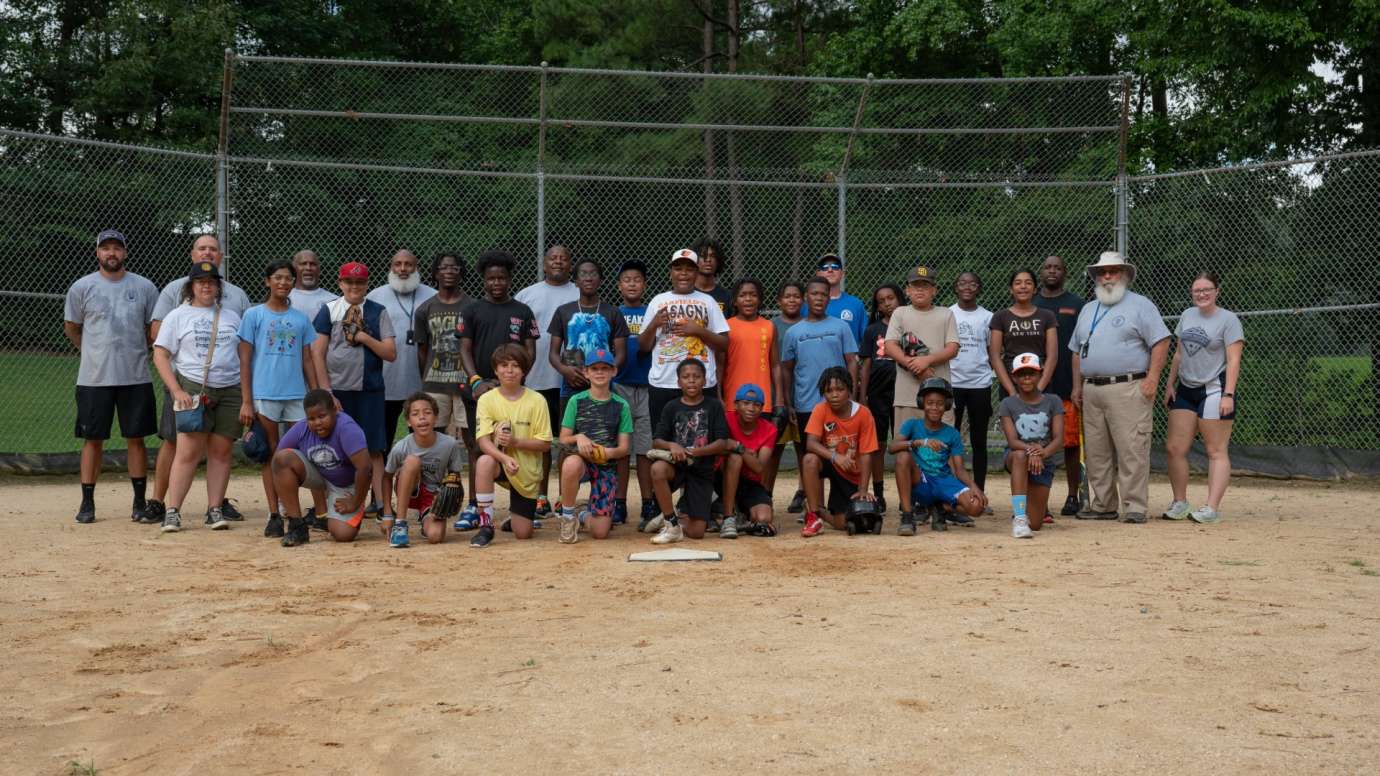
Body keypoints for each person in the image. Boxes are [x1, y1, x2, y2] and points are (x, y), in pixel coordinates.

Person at [145, 234, 251, 526]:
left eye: (212, 282)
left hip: (229, 388)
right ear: (191, 286)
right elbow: (160, 355)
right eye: (201, 282)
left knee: (221, 451)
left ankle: (214, 508)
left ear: (218, 287)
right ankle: (173, 510)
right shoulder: (178, 316)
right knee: (188, 451)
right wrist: (176, 389)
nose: (206, 286)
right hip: (193, 386)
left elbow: (244, 358)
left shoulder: (232, 316)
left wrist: (245, 396)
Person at [63, 229, 159, 524]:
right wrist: (92, 352)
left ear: (125, 253)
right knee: (93, 440)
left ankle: (139, 503)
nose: (112, 253)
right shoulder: (82, 287)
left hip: (135, 376)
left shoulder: (144, 287)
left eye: (117, 248)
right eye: (106, 248)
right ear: (97, 254)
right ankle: (87, 503)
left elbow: (152, 329)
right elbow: (72, 327)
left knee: (136, 439)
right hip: (94, 379)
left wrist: (137, 350)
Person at [1069, 251, 1170, 524]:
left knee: (1131, 448)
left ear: (1125, 274)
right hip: (1091, 390)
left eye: (1113, 271)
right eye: (1102, 272)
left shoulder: (1141, 305)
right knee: (1097, 451)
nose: (1107, 276)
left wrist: (1152, 378)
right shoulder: (1089, 309)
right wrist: (1077, 386)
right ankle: (1103, 505)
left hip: (1128, 386)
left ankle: (1135, 506)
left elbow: (1161, 341)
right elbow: (1076, 351)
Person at [237, 260, 317, 534]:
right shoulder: (254, 315)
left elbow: (307, 358)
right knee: (271, 453)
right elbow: (245, 360)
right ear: (267, 281)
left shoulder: (300, 318)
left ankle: (294, 508)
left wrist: (315, 394)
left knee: (296, 452)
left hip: (295, 393)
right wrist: (247, 400)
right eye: (278, 278)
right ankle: (274, 514)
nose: (283, 283)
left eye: (288, 279)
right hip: (265, 393)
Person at [311, 261, 397, 515]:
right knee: (333, 447)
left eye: (359, 283)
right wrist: (326, 392)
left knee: (373, 448)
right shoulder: (329, 310)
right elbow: (318, 353)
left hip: (369, 389)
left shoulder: (377, 311)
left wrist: (363, 337)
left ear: (367, 285)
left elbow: (390, 353)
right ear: (340, 283)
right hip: (337, 390)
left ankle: (381, 502)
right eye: (349, 282)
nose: (354, 287)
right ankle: (335, 501)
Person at [1162, 271, 1244, 524]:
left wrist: (1228, 394)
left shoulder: (1228, 320)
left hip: (1214, 389)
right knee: (1175, 448)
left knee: (1215, 450)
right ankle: (1180, 502)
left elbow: (1233, 360)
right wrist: (1170, 383)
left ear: (1217, 291)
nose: (1202, 294)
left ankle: (1211, 507)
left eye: (1207, 289)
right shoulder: (1187, 315)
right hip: (1186, 388)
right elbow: (1178, 354)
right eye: (1197, 290)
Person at [414, 251, 479, 526]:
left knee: (473, 442)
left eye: (454, 267)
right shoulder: (425, 309)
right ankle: (432, 498)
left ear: (461, 272)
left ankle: (475, 501)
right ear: (435, 274)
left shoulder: (473, 307)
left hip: (465, 384)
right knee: (431, 442)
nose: (449, 271)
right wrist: (427, 380)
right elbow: (422, 350)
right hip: (436, 381)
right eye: (443, 267)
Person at [515, 244, 579, 518]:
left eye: (564, 258)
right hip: (536, 379)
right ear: (543, 264)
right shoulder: (528, 295)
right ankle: (539, 495)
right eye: (553, 258)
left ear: (570, 264)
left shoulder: (580, 293)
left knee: (566, 442)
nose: (558, 262)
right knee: (539, 441)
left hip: (573, 382)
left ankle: (564, 497)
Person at [639, 248, 730, 437]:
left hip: (700, 383)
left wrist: (698, 330)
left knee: (701, 437)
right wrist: (654, 324)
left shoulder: (708, 301)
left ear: (696, 273)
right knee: (663, 438)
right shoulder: (658, 301)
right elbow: (644, 346)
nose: (683, 274)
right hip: (664, 382)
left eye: (689, 269)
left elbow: (724, 343)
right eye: (678, 268)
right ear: (671, 272)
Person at [470, 343, 552, 548]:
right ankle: (485, 525)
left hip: (525, 470)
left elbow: (545, 444)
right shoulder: (487, 399)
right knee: (484, 461)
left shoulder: (537, 400)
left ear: (524, 370)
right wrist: (505, 457)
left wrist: (516, 442)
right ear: (495, 370)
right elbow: (483, 441)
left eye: (515, 365)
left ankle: (515, 520)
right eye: (504, 365)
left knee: (523, 534)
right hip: (501, 463)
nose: (509, 370)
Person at [644, 359, 733, 545]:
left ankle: (675, 517)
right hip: (676, 465)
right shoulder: (672, 407)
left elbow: (722, 442)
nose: (691, 380)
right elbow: (657, 440)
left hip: (701, 470)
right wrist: (672, 446)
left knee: (697, 531)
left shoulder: (714, 406)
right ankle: (671, 523)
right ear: (678, 382)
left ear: (705, 381)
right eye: (686, 377)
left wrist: (697, 452)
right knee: (658, 469)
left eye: (696, 376)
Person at [270, 389, 373, 547]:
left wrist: (355, 501)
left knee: (342, 534)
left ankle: (344, 513)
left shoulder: (347, 428)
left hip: (346, 483)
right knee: (283, 459)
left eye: (322, 416)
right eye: (311, 418)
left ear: (334, 410)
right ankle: (297, 526)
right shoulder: (301, 428)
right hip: (320, 475)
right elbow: (277, 463)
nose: (317, 422)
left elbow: (366, 468)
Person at [890, 377, 987, 535]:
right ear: (923, 403)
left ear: (946, 406)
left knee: (977, 506)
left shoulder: (952, 433)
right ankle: (907, 516)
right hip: (921, 481)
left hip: (943, 481)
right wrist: (919, 442)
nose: (934, 407)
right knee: (902, 456)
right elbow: (892, 447)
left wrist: (975, 488)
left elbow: (960, 470)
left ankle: (940, 508)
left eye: (940, 403)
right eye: (930, 403)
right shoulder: (912, 425)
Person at [556, 348, 633, 543]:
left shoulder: (621, 405)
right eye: (595, 368)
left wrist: (608, 452)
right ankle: (567, 517)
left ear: (613, 371)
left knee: (600, 532)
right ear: (586, 372)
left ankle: (582, 515)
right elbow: (563, 438)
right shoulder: (576, 400)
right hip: (582, 461)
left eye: (605, 368)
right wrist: (579, 437)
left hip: (605, 465)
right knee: (571, 464)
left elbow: (624, 448)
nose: (600, 372)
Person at [1033, 254, 1087, 516]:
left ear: (1065, 272)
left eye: (1058, 267)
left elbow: (1084, 345)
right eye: (1047, 267)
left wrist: (1080, 383)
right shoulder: (1030, 303)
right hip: (1035, 385)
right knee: (1036, 441)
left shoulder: (1077, 304)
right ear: (1041, 272)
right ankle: (1038, 499)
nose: (1052, 271)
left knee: (1070, 443)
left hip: (1067, 383)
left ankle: (1072, 496)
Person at [367, 249, 437, 451]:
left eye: (408, 264)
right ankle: (382, 481)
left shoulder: (432, 296)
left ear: (417, 268)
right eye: (398, 264)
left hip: (421, 381)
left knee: (422, 439)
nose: (403, 269)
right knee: (383, 439)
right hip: (386, 380)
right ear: (391, 267)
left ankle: (419, 481)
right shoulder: (375, 297)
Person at [799, 367, 879, 538]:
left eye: (840, 389)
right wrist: (835, 456)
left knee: (843, 523)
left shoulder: (863, 414)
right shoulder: (820, 409)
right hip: (831, 461)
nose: (834, 395)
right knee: (809, 460)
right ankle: (812, 517)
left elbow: (866, 453)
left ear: (850, 390)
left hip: (850, 472)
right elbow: (811, 443)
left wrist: (863, 489)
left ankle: (821, 512)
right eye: (829, 391)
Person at [380, 392, 466, 548]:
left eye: (427, 413)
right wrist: (387, 514)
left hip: (432, 497)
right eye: (415, 414)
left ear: (436, 417)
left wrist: (449, 495)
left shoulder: (449, 444)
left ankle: (425, 518)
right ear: (408, 421)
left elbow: (455, 476)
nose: (422, 417)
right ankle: (400, 525)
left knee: (435, 536)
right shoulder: (402, 447)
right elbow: (386, 477)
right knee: (413, 461)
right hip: (409, 490)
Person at [885, 263, 959, 441]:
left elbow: (953, 348)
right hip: (907, 395)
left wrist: (926, 361)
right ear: (907, 291)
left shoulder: (945, 314)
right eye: (915, 286)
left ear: (934, 290)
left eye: (925, 286)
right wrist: (913, 365)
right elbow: (890, 345)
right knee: (905, 448)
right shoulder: (900, 313)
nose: (920, 290)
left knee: (942, 449)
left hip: (940, 396)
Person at [782, 277, 859, 446]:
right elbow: (786, 370)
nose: (819, 298)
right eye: (814, 293)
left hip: (838, 402)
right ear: (805, 297)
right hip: (806, 403)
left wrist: (852, 395)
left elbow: (852, 362)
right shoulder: (793, 333)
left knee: (839, 448)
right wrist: (788, 403)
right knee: (808, 452)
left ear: (829, 298)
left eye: (824, 294)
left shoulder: (841, 327)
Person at [548, 257, 628, 419]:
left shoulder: (613, 312)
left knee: (603, 433)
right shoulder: (563, 311)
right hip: (572, 383)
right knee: (569, 436)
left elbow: (621, 354)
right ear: (576, 281)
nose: (588, 278)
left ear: (601, 280)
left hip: (603, 385)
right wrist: (565, 371)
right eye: (583, 274)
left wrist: (605, 372)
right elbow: (553, 354)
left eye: (593, 274)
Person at [611, 259, 658, 531]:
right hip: (620, 385)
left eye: (637, 280)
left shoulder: (652, 312)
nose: (632, 284)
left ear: (645, 285)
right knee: (621, 448)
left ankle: (648, 502)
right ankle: (619, 502)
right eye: (627, 280)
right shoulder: (613, 313)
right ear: (619, 286)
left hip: (648, 385)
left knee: (644, 449)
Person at [998, 354, 1064, 539]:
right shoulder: (1008, 403)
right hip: (1018, 456)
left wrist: (1042, 453)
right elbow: (1012, 441)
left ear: (1040, 374)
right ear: (1014, 378)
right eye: (1021, 374)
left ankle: (1025, 510)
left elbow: (1059, 439)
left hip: (1044, 459)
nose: (1026, 378)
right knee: (1019, 455)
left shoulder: (1053, 401)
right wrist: (1031, 451)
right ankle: (1019, 518)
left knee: (1035, 524)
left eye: (1031, 373)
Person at [948, 272, 995, 502]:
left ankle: (980, 492)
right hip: (953, 383)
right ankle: (954, 492)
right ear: (956, 287)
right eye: (962, 282)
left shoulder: (987, 317)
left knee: (979, 441)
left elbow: (993, 350)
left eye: (972, 283)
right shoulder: (948, 314)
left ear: (979, 288)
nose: (967, 286)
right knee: (951, 439)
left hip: (979, 384)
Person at [860, 283, 902, 510]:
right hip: (877, 393)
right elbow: (865, 365)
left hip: (903, 393)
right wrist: (862, 396)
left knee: (904, 443)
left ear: (899, 299)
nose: (887, 303)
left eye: (891, 298)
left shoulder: (909, 325)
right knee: (878, 445)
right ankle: (878, 494)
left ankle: (912, 492)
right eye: (881, 300)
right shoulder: (872, 330)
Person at [766, 281, 807, 511]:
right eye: (787, 296)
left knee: (804, 447)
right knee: (774, 449)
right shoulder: (772, 326)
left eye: (796, 296)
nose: (792, 300)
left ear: (803, 300)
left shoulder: (807, 325)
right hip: (777, 396)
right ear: (779, 301)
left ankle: (803, 492)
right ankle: (766, 494)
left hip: (802, 395)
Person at [720, 384, 780, 537]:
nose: (751, 408)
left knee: (764, 518)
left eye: (756, 405)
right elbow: (719, 448)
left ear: (762, 408)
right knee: (735, 458)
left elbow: (759, 467)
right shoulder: (725, 419)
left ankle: (741, 516)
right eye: (745, 403)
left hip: (749, 481)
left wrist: (739, 447)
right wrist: (747, 454)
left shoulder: (769, 429)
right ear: (736, 405)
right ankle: (727, 517)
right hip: (721, 477)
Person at [989, 269, 1058, 399]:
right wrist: (1011, 391)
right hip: (1011, 384)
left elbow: (1052, 356)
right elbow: (995, 356)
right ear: (1011, 289)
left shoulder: (1047, 316)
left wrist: (1039, 389)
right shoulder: (1000, 317)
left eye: (1028, 283)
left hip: (1040, 385)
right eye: (1018, 283)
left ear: (1035, 289)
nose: (1023, 286)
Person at [720, 278, 783, 412]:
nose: (748, 299)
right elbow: (720, 365)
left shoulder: (769, 326)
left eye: (753, 295)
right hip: (733, 401)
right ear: (735, 301)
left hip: (762, 403)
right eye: (742, 295)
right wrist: (718, 395)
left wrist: (779, 400)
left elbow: (776, 365)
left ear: (760, 300)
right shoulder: (726, 327)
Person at [816, 253, 867, 347]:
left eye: (835, 267)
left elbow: (866, 341)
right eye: (825, 267)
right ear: (818, 273)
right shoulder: (808, 305)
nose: (830, 270)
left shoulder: (856, 304)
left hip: (848, 360)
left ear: (842, 273)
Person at [288, 249, 337, 321]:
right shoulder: (283, 299)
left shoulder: (333, 301)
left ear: (319, 269)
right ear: (294, 269)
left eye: (313, 264)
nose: (308, 268)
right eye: (303, 264)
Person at [691, 237, 735, 318]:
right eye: (703, 256)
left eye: (712, 256)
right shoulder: (685, 294)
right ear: (694, 259)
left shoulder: (728, 296)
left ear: (718, 260)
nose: (708, 260)